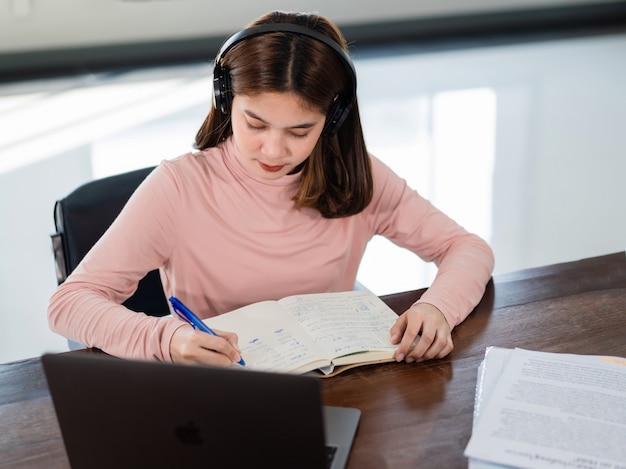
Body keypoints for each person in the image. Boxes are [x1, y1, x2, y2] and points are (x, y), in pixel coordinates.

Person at [48, 10, 494, 367]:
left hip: (333, 378)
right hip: (221, 387)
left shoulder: (359, 176)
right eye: (255, 123)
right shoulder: (179, 187)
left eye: (300, 132)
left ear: (332, 120)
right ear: (227, 101)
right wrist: (167, 338)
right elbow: (69, 303)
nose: (274, 150)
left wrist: (437, 308)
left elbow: (467, 248)